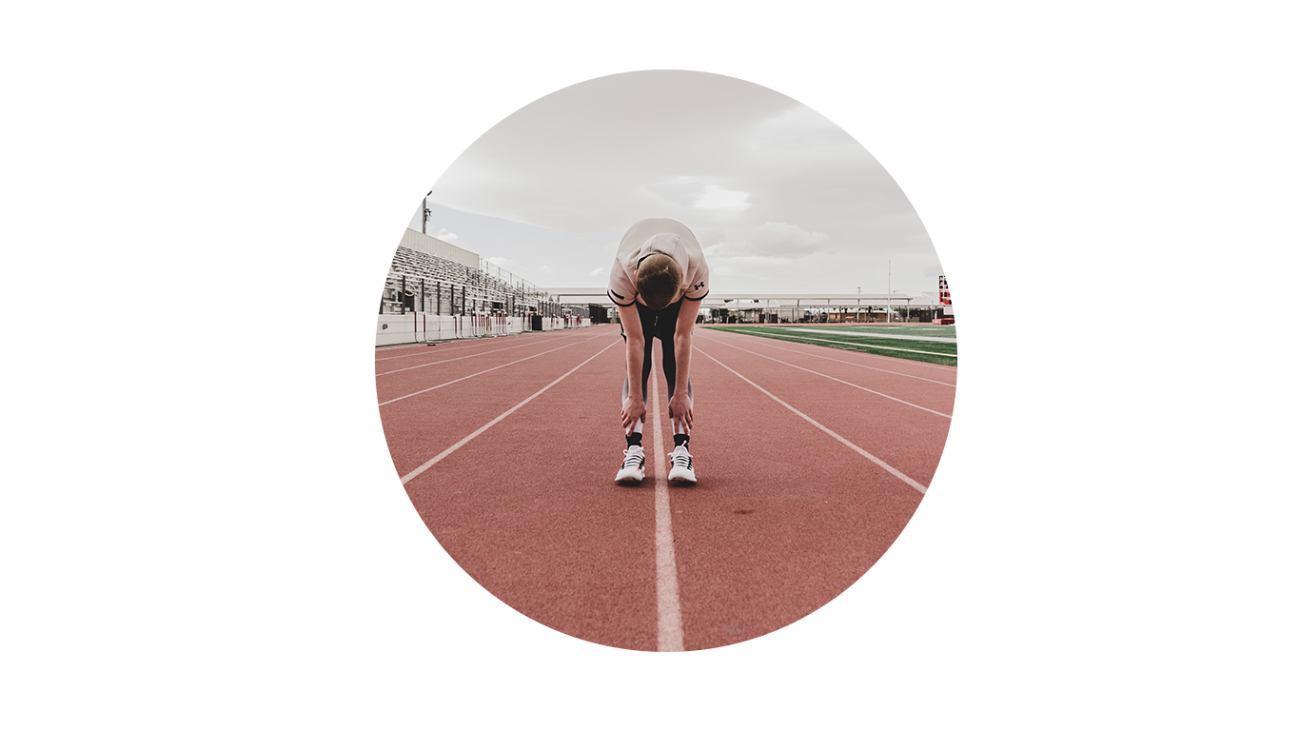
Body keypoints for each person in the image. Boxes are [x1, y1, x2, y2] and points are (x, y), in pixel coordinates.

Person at [608, 218, 709, 485]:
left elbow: (682, 336)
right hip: (639, 293)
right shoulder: (622, 274)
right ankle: (634, 450)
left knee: (673, 364)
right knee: (637, 372)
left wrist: (679, 394)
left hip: (675, 294)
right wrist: (634, 397)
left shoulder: (697, 272)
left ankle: (682, 450)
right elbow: (635, 338)